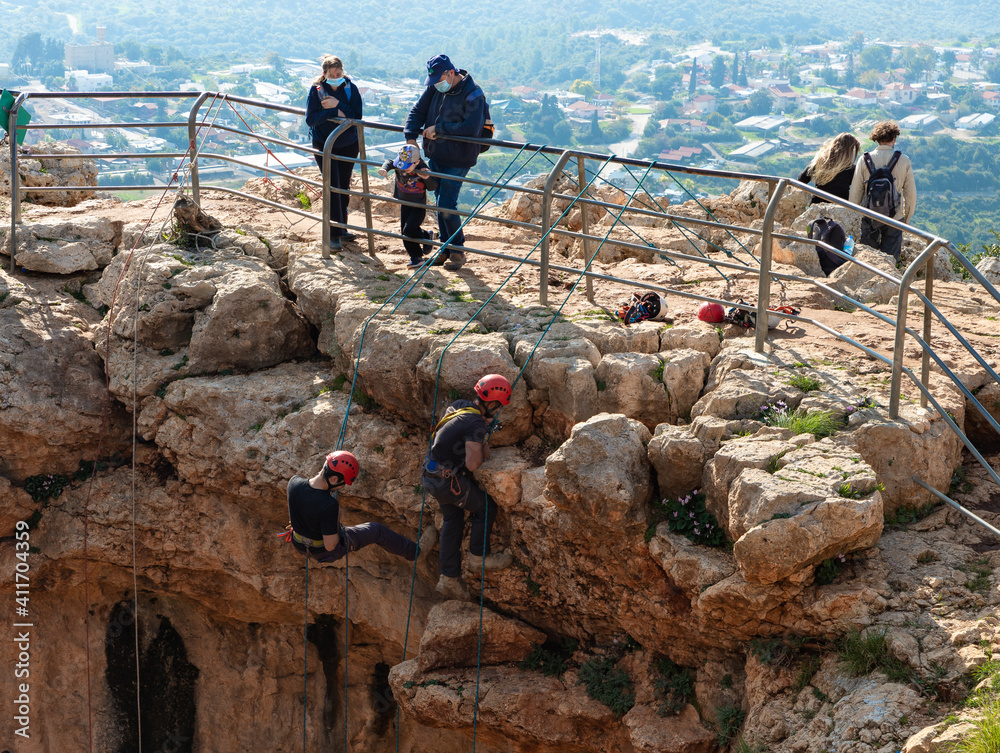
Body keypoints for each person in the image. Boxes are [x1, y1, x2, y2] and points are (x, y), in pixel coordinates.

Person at [421, 375, 514, 600]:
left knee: (453, 519)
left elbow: (456, 432)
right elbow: (474, 464)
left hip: (431, 475)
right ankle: (479, 558)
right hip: (446, 482)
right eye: (498, 406)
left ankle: (448, 579)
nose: (498, 410)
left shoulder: (460, 406)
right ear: (491, 404)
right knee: (485, 508)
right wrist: (482, 436)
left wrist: (481, 429)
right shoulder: (476, 424)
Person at [403, 54, 487, 271]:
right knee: (440, 201)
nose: (436, 86)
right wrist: (411, 139)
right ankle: (446, 248)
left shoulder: (473, 94)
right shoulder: (435, 88)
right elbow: (417, 111)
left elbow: (472, 128)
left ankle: (456, 250)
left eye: (439, 80)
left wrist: (439, 129)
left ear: (451, 73)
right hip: (437, 154)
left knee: (446, 204)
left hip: (460, 157)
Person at [282, 450, 437, 564]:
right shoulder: (329, 505)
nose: (342, 487)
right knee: (376, 530)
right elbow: (330, 546)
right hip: (323, 552)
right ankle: (417, 553)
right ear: (334, 478)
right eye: (343, 484)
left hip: (298, 543)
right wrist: (336, 529)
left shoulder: (294, 483)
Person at [305, 55, 363, 251]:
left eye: (339, 73)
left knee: (343, 186)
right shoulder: (317, 91)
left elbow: (357, 116)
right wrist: (333, 113)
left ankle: (342, 226)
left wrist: (337, 105)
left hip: (347, 143)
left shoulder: (350, 88)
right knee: (332, 185)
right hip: (324, 143)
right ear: (324, 74)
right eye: (332, 74)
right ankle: (333, 234)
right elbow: (311, 119)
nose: (336, 76)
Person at [849, 121, 917, 261]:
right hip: (894, 218)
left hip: (868, 216)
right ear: (894, 139)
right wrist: (906, 218)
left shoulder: (864, 159)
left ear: (877, 139)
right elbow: (910, 194)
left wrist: (854, 217)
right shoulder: (904, 160)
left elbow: (856, 193)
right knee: (889, 261)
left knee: (868, 259)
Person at [378, 144, 439, 269]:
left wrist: (427, 178)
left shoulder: (422, 168)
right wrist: (385, 169)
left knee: (409, 229)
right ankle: (416, 257)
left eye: (407, 166)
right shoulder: (401, 162)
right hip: (405, 202)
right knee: (405, 232)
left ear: (416, 162)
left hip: (418, 205)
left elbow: (433, 186)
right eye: (401, 164)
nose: (403, 168)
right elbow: (389, 162)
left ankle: (426, 236)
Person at [797, 132, 861, 203]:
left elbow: (801, 179)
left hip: (817, 206)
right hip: (841, 208)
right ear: (849, 151)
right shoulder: (850, 169)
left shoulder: (819, 161)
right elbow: (858, 189)